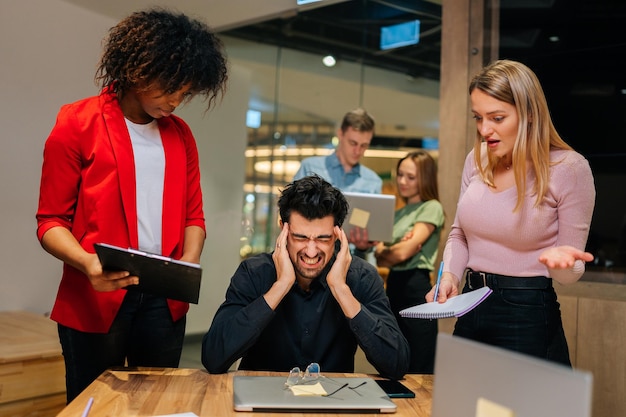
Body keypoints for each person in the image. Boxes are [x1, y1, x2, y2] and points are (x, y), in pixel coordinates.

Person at [35, 9, 228, 402]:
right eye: (169, 87)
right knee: (91, 404)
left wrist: (186, 265)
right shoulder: (77, 122)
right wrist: (89, 263)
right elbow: (50, 221)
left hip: (162, 298)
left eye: (185, 92)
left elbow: (194, 216)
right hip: (95, 291)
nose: (176, 100)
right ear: (137, 69)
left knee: (156, 403)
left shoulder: (181, 135)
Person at [426, 60, 595, 366]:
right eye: (478, 117)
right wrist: (450, 274)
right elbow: (459, 233)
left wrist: (561, 264)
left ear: (530, 114)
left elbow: (571, 274)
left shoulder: (569, 169)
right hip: (471, 301)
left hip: (527, 311)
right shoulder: (476, 158)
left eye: (497, 118)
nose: (484, 130)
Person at [201, 175, 409, 380]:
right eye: (300, 237)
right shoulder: (254, 272)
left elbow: (397, 364)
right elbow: (214, 357)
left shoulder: (361, 276)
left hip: (332, 403)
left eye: (323, 238)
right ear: (284, 230)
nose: (311, 251)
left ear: (337, 235)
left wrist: (341, 290)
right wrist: (280, 286)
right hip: (262, 400)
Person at [374, 151, 444, 374]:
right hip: (393, 285)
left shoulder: (431, 207)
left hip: (416, 286)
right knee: (394, 355)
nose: (402, 182)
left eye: (411, 177)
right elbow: (380, 254)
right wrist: (391, 251)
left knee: (419, 361)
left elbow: (402, 254)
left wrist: (391, 250)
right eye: (400, 175)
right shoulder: (398, 213)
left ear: (425, 178)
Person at [294, 108, 382, 256]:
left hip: (353, 260)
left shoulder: (373, 181)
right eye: (353, 143)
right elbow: (291, 213)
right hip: (310, 255)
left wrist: (364, 244)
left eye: (364, 145)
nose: (357, 151)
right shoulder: (310, 168)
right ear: (340, 134)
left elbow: (374, 232)